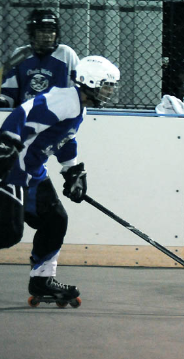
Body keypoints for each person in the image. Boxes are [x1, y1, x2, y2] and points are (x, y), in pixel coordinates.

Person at [0, 55, 120, 304]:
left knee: (55, 220)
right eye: (107, 85)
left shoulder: (78, 107)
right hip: (13, 169)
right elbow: (24, 111)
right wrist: (7, 141)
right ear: (90, 81)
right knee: (8, 233)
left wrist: (71, 170)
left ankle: (42, 280)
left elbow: (65, 139)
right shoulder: (64, 101)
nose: (110, 90)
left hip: (32, 172)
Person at [0, 9, 79, 108]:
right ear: (32, 33)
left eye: (51, 31)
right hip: (25, 114)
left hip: (57, 114)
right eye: (42, 31)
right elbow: (8, 93)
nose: (47, 35)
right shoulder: (20, 55)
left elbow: (76, 91)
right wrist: (4, 102)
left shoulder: (66, 54)